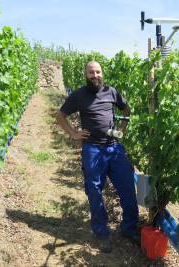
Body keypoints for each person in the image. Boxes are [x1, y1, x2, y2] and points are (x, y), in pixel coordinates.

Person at [56, 60, 139, 253]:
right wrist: (74, 134)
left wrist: (122, 129)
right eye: (91, 73)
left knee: (127, 187)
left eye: (98, 72)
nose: (95, 76)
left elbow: (126, 110)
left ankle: (129, 228)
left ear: (102, 73)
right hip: (92, 149)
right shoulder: (79, 95)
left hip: (114, 148)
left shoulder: (111, 91)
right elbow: (60, 116)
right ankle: (102, 233)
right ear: (86, 75)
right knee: (94, 191)